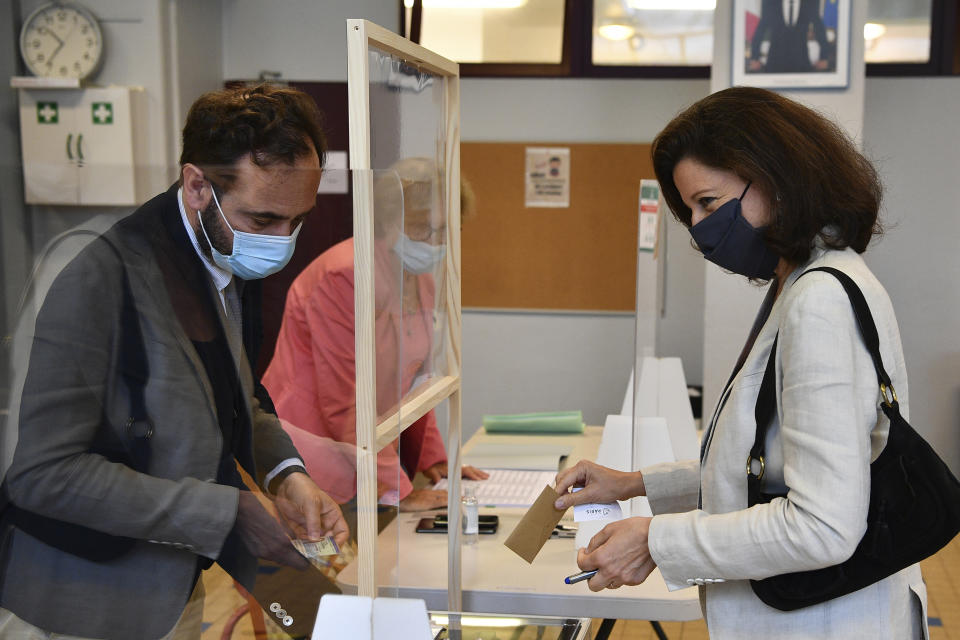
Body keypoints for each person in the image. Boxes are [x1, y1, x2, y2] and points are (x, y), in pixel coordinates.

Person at [555, 87, 927, 638]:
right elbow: (765, 466)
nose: (702, 230)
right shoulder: (804, 281)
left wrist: (657, 540)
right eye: (693, 211)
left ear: (775, 178)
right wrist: (635, 484)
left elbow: (823, 526)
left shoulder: (818, 301)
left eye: (708, 202)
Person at [0, 84, 349, 640]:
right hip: (80, 604)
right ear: (196, 186)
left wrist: (288, 476)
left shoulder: (225, 249)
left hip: (172, 589)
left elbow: (237, 398)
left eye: (297, 220)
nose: (282, 242)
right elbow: (42, 475)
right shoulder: (97, 276)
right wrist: (227, 513)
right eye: (263, 220)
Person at [264, 158, 487, 512]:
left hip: (365, 450)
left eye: (446, 230)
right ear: (388, 221)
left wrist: (435, 462)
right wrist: (400, 489)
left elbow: (416, 384)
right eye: (421, 228)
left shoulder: (421, 279)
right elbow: (345, 402)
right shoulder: (345, 276)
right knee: (319, 560)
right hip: (311, 449)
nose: (434, 242)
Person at [748, 0, 830, 73]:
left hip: (802, 63)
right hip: (774, 62)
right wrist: (755, 58)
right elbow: (761, 28)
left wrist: (824, 58)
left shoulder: (810, 1)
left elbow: (819, 28)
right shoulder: (770, 1)